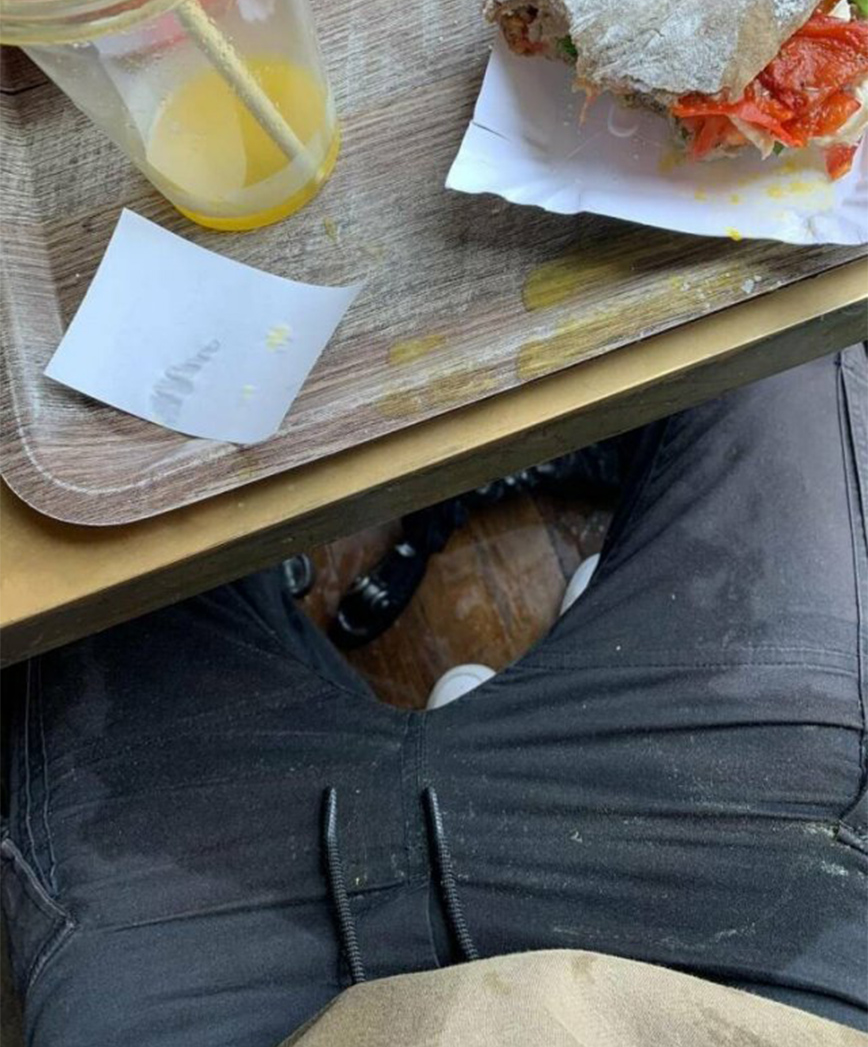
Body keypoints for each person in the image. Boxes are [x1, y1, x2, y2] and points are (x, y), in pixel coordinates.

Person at [2, 346, 866, 1046]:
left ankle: (245, 547)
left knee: (76, 418)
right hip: (741, 945)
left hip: (217, 994)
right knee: (786, 326)